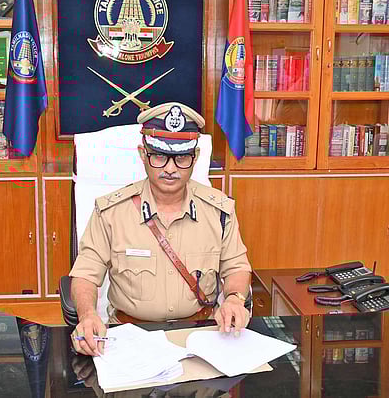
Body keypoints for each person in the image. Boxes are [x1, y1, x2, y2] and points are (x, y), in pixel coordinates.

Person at [69, 102, 252, 356]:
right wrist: (88, 314)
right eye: (159, 156)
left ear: (195, 157)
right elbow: (85, 275)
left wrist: (234, 299)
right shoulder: (110, 212)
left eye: (181, 158)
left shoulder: (219, 211)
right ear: (143, 154)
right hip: (130, 338)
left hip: (201, 337)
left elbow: (237, 267)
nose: (170, 168)